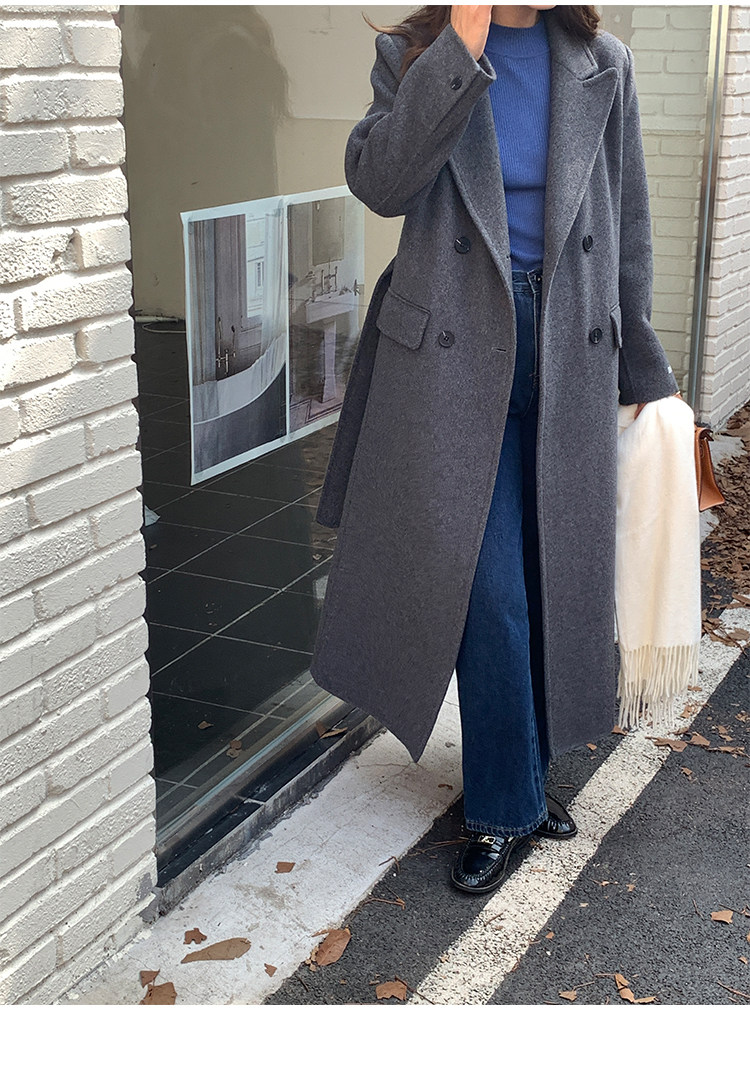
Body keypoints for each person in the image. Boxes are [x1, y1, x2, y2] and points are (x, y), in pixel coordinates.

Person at [310, 4, 681, 895]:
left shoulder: (603, 60)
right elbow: (382, 182)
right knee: (490, 592)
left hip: (570, 342)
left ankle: (519, 772)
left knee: (549, 573)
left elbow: (626, 220)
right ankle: (507, 806)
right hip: (452, 349)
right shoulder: (412, 53)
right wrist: (462, 48)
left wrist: (644, 367)